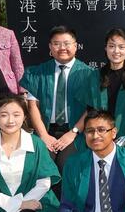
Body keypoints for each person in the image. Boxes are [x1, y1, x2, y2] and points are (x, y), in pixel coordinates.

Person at [22, 26, 97, 171]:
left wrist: (73, 132)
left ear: (75, 46)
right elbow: (32, 106)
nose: (62, 48)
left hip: (76, 133)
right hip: (45, 131)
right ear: (50, 47)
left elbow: (91, 109)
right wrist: (44, 135)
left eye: (67, 43)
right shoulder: (38, 73)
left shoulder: (89, 74)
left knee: (67, 165)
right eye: (56, 44)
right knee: (44, 166)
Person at [92, 28, 125, 145]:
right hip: (99, 140)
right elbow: (91, 111)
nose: (116, 51)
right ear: (105, 48)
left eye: (121, 47)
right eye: (111, 46)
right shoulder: (96, 76)